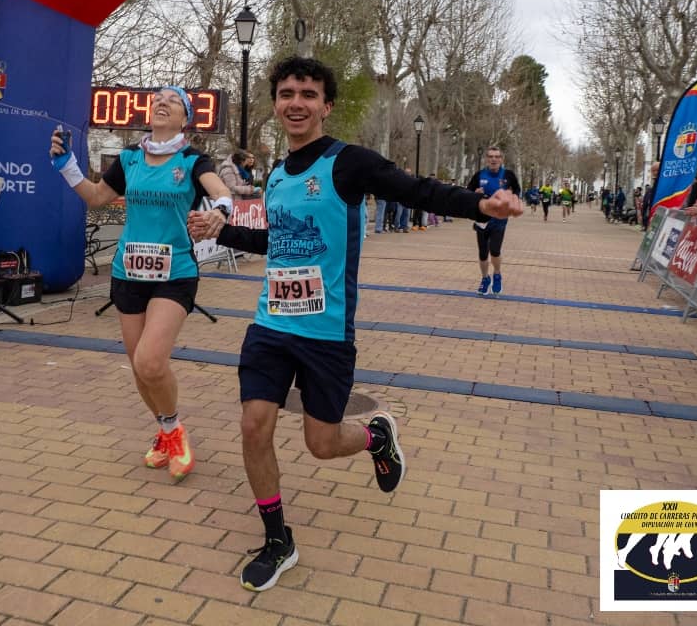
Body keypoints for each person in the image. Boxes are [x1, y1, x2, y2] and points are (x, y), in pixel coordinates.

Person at [187, 57, 522, 592]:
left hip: (326, 333)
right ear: (276, 103)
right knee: (254, 425)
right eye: (287, 93)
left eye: (309, 94)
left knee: (321, 444)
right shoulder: (277, 175)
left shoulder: (348, 163)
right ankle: (278, 540)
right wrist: (222, 231)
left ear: (327, 106)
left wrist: (481, 203)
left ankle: (375, 437)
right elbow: (279, 242)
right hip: (271, 324)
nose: (297, 102)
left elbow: (416, 190)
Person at [50, 86, 231, 481]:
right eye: (158, 99)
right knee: (140, 368)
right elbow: (97, 197)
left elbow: (221, 192)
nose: (162, 102)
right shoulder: (130, 157)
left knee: (151, 361)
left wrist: (220, 210)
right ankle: (166, 431)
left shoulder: (192, 160)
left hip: (174, 273)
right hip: (128, 273)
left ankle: (176, 432)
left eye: (174, 100)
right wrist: (66, 165)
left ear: (185, 119)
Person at [467, 147, 521, 295]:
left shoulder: (508, 175)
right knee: (483, 253)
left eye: (497, 157)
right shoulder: (479, 175)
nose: (493, 159)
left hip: (499, 219)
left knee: (495, 251)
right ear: (487, 159)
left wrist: (512, 197)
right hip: (482, 219)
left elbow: (517, 190)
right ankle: (485, 278)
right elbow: (468, 192)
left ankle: (497, 274)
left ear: (501, 159)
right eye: (490, 156)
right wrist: (475, 193)